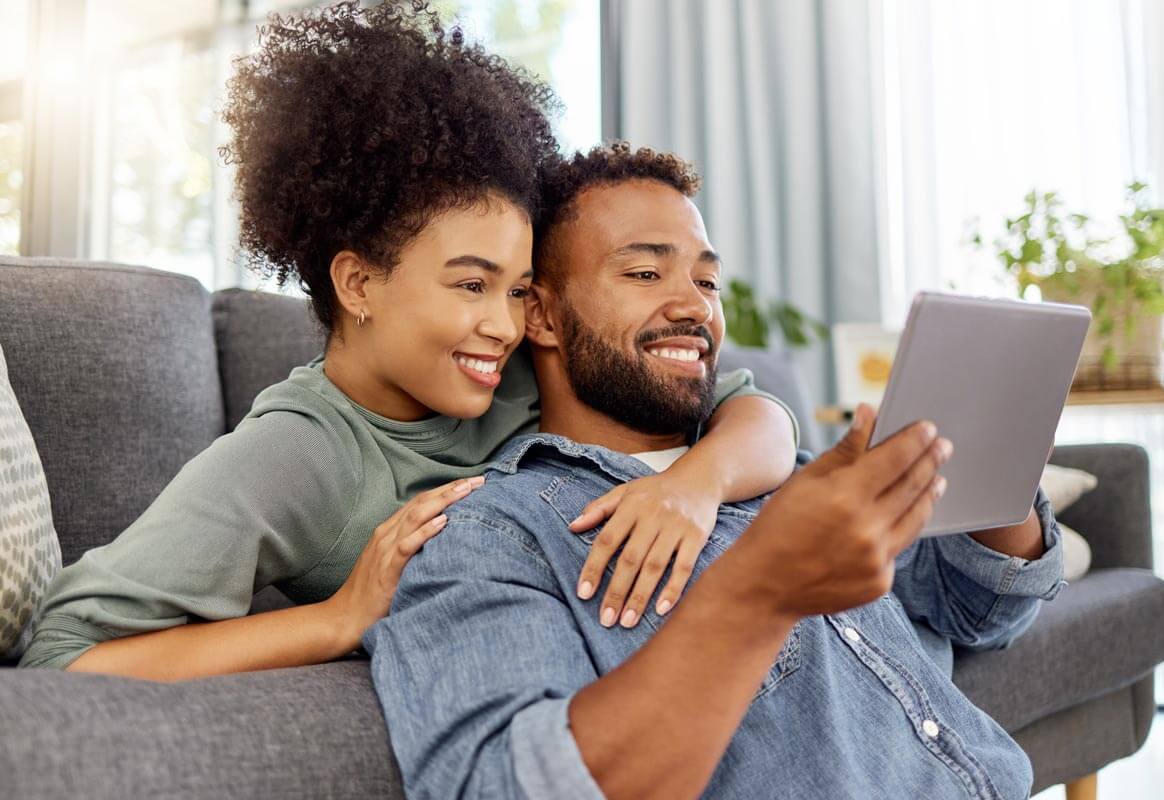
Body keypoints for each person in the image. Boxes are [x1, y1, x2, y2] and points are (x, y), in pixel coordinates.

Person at [17, 2, 799, 680]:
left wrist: (695, 485)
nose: (505, 323)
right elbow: (67, 653)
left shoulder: (522, 362)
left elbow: (753, 411)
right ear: (359, 285)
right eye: (470, 284)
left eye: (519, 288)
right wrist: (339, 618)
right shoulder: (298, 455)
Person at [363, 143, 1066, 799]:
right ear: (542, 316)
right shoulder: (497, 534)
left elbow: (979, 609)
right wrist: (757, 592)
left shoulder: (786, 477)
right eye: (644, 273)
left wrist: (982, 450)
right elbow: (503, 784)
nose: (695, 305)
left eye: (707, 278)